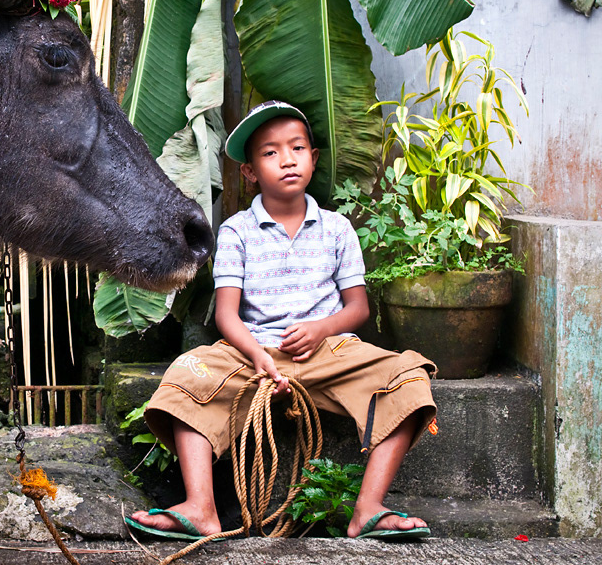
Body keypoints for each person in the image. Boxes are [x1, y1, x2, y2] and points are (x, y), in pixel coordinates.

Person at [126, 101, 438, 542]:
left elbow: (358, 309)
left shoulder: (337, 229)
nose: (286, 159)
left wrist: (321, 329)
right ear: (250, 172)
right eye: (270, 152)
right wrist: (255, 355)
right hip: (253, 353)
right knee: (186, 373)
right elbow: (227, 315)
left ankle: (367, 509)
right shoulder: (237, 231)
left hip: (330, 352)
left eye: (297, 147)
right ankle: (201, 508)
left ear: (313, 157)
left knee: (408, 377)